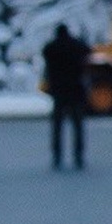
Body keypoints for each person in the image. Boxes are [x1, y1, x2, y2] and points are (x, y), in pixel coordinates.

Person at [42, 21, 89, 169]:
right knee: (77, 126)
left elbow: (45, 55)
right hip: (75, 90)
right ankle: (78, 156)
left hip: (59, 92)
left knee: (57, 127)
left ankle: (57, 156)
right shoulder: (76, 46)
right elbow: (87, 50)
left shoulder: (51, 48)